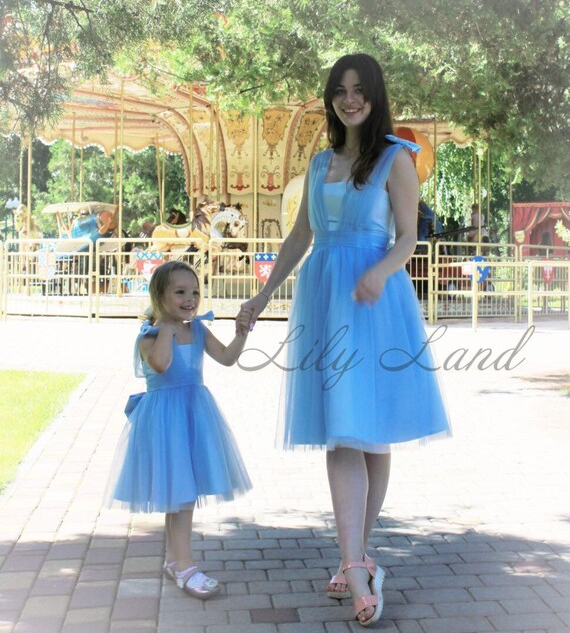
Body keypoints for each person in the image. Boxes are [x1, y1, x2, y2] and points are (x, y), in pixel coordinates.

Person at [241, 53, 451, 627]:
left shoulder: (395, 159)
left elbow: (408, 236)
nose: (349, 98)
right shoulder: (319, 163)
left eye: (359, 89)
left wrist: (381, 272)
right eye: (340, 89)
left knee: (370, 433)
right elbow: (300, 236)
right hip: (324, 298)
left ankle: (354, 563)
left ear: (374, 95)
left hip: (375, 301)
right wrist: (263, 296)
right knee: (344, 432)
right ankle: (357, 564)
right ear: (331, 97)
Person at [106, 261, 252, 598]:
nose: (191, 299)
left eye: (195, 292)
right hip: (165, 421)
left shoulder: (198, 330)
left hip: (195, 413)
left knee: (182, 495)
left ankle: (176, 562)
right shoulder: (150, 336)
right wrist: (167, 330)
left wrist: (241, 333)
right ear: (159, 296)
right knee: (181, 495)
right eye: (181, 292)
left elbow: (228, 357)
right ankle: (185, 566)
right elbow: (160, 364)